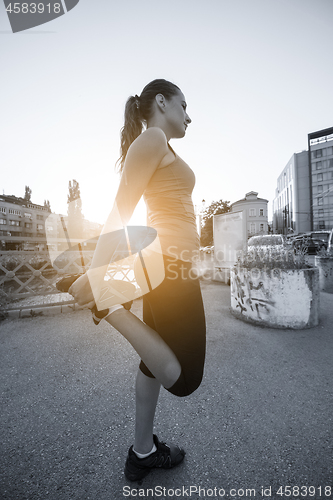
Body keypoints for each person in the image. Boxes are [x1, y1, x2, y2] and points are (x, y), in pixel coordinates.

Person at [69, 79, 206, 481]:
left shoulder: (160, 145)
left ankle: (142, 452)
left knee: (152, 362)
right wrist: (97, 276)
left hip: (169, 264)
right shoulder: (151, 140)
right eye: (184, 104)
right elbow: (120, 211)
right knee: (185, 380)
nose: (189, 115)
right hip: (169, 267)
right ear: (161, 102)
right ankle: (105, 303)